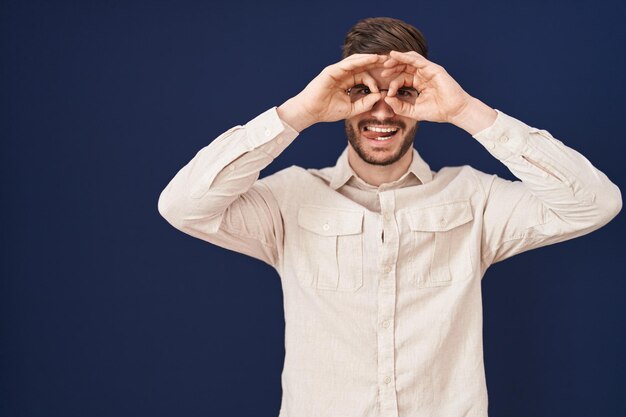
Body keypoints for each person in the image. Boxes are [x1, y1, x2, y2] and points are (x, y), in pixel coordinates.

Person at [157, 17, 621, 417]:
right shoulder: (290, 198)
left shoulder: (474, 197)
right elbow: (182, 206)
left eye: (403, 91)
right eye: (362, 90)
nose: (382, 109)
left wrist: (465, 111)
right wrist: (298, 112)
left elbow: (596, 203)